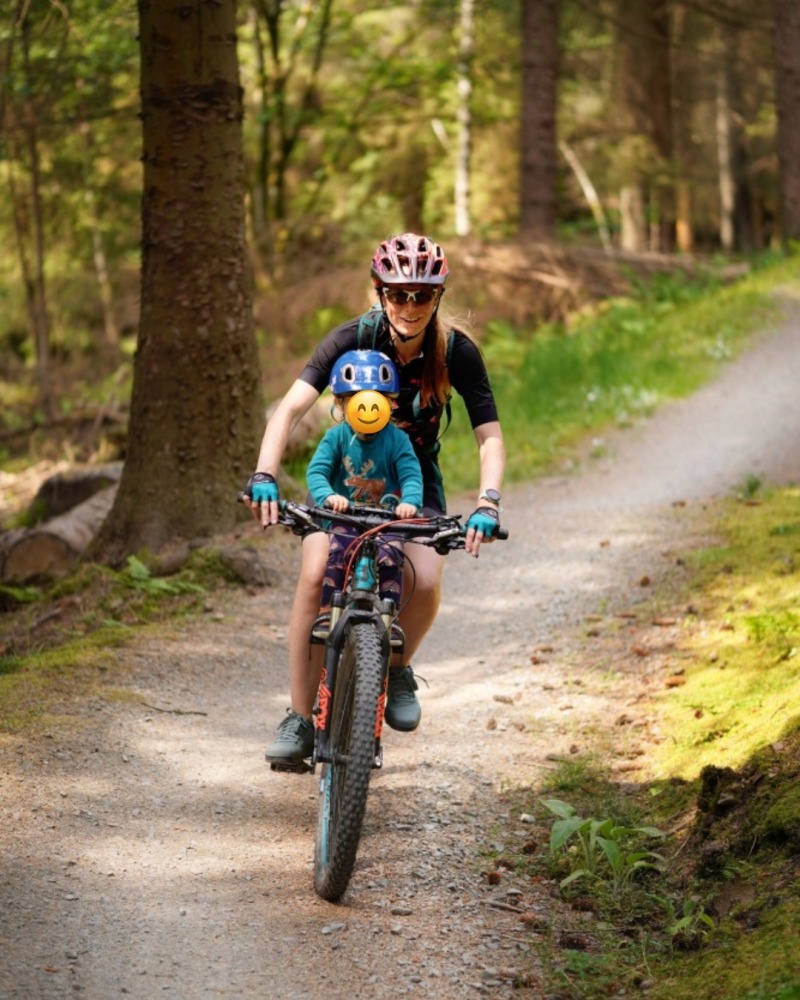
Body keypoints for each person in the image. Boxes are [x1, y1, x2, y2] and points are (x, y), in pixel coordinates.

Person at [243, 232, 505, 766]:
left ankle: (395, 664)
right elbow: (289, 410)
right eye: (398, 294)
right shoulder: (352, 338)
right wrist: (265, 473)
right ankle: (298, 716)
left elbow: (490, 437)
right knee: (316, 577)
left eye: (422, 296)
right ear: (380, 292)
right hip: (344, 481)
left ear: (438, 297)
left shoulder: (456, 350)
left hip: (412, 484)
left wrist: (488, 502)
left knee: (425, 580)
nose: (409, 306)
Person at [306, 348, 423, 625]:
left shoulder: (397, 440)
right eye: (356, 400)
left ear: (390, 404)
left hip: (385, 519)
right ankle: (328, 612)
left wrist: (410, 501)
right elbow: (317, 472)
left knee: (392, 555)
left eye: (377, 400)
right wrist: (329, 496)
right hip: (345, 516)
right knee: (337, 552)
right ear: (340, 403)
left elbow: (411, 476)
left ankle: (388, 619)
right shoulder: (336, 437)